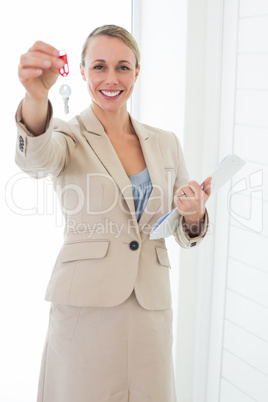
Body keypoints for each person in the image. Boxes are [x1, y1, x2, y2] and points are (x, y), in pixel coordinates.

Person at [16, 25, 211, 402]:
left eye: (123, 67)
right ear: (84, 72)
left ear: (137, 73)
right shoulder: (67, 135)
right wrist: (35, 97)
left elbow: (184, 228)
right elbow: (36, 160)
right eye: (99, 66)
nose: (111, 78)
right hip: (86, 311)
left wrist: (192, 214)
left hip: (150, 309)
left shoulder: (166, 142)